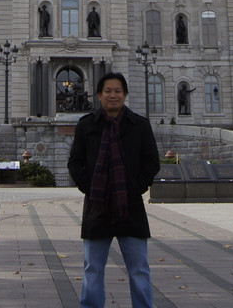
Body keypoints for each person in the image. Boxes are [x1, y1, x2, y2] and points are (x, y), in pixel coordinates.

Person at [68, 72, 160, 308]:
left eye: (117, 91)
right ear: (99, 95)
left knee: (139, 268)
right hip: (97, 207)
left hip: (129, 205)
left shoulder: (139, 125)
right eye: (108, 91)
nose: (113, 95)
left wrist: (135, 187)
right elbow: (75, 163)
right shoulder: (86, 125)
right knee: (92, 268)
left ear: (125, 95)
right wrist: (89, 187)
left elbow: (151, 162)